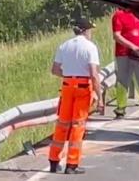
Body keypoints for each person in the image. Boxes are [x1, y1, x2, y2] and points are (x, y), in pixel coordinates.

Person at [48, 18, 103, 175]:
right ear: (85, 30)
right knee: (78, 126)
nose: (91, 32)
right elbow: (94, 74)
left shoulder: (64, 46)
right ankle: (72, 164)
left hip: (67, 86)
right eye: (90, 30)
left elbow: (55, 70)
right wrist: (99, 97)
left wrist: (68, 75)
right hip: (83, 87)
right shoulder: (90, 47)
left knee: (62, 124)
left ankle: (53, 160)